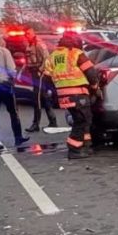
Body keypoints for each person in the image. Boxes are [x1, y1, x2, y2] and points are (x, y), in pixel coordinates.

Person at [44, 32, 99, 160]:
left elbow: (47, 78)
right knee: (82, 120)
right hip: (78, 93)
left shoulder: (52, 56)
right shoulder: (76, 54)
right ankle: (74, 149)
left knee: (84, 118)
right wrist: (95, 87)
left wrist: (57, 89)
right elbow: (91, 73)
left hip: (63, 95)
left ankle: (86, 145)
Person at [24, 28, 58, 132]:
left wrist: (40, 70)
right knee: (44, 98)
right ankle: (53, 121)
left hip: (40, 74)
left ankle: (35, 124)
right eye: (26, 34)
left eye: (28, 33)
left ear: (33, 33)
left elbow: (46, 58)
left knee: (37, 99)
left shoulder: (39, 44)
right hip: (34, 73)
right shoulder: (30, 44)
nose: (27, 35)